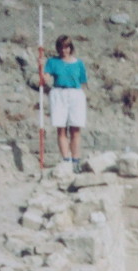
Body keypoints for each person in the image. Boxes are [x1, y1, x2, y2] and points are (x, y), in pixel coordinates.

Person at [39, 35, 88, 172]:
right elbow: (45, 79)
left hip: (75, 94)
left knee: (75, 129)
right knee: (61, 128)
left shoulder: (79, 63)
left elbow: (83, 81)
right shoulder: (52, 62)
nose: (63, 50)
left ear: (70, 47)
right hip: (59, 93)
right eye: (61, 47)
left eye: (66, 47)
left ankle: (76, 160)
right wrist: (41, 69)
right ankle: (66, 159)